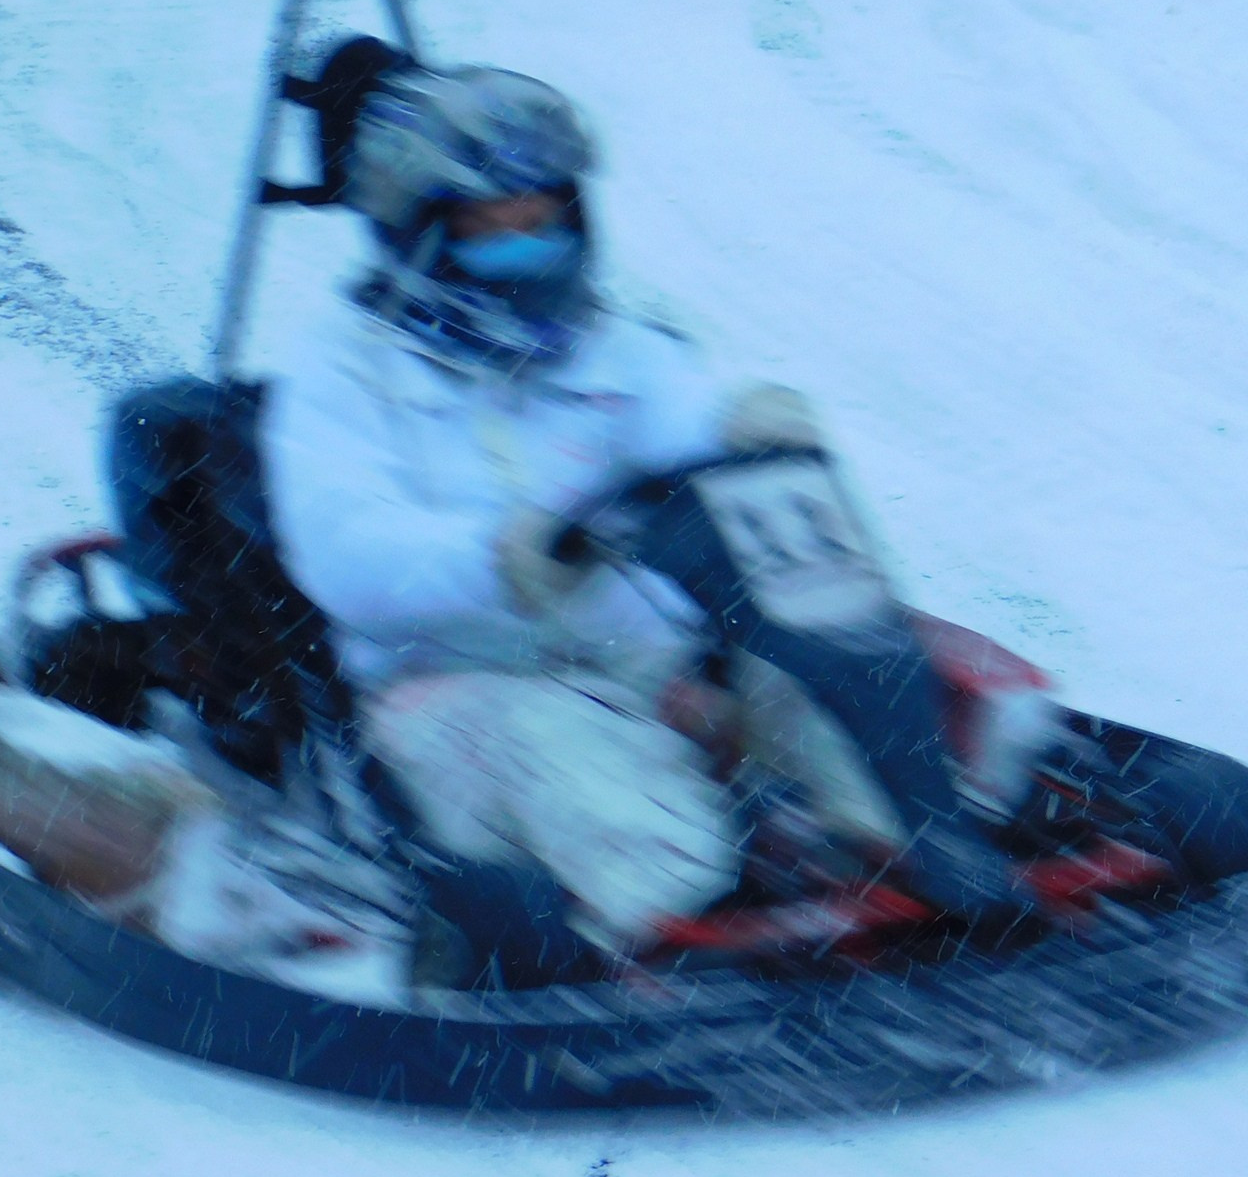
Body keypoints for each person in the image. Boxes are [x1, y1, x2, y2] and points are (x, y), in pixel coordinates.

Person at [259, 62, 1018, 966]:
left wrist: (739, 427)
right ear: (417, 231)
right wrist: (499, 558)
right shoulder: (342, 375)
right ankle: (653, 927)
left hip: (646, 661)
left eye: (541, 216)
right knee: (661, 854)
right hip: (459, 687)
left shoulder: (606, 345)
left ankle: (917, 846)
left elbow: (679, 414)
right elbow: (346, 554)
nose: (525, 241)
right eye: (491, 224)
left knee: (855, 693)